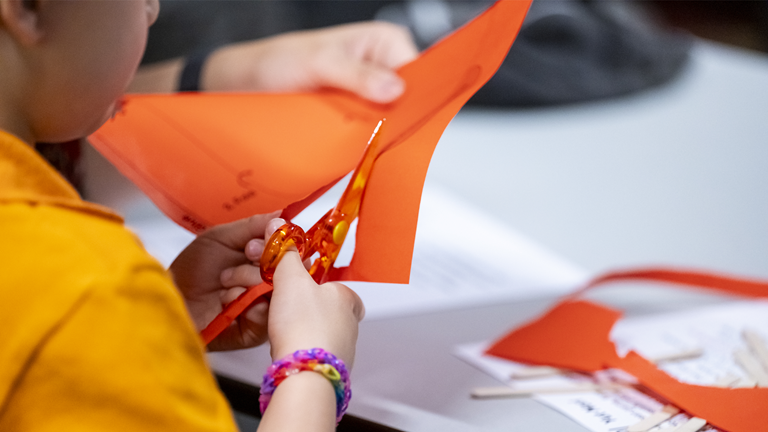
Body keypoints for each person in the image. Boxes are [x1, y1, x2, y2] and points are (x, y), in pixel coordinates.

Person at [0, 0, 415, 430]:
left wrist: (155, 325)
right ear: (27, 9)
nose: (153, 8)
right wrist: (314, 368)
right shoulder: (91, 289)